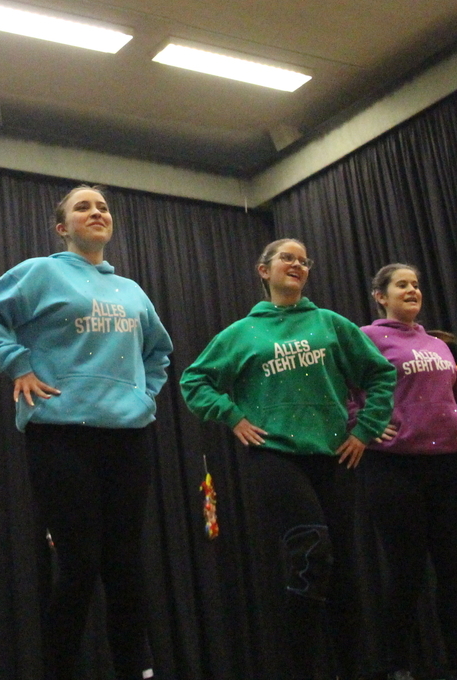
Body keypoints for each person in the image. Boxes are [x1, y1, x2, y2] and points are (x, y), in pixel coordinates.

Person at [0, 185, 172, 680]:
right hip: (61, 435)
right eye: (83, 207)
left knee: (125, 565)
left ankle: (136, 670)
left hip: (128, 437)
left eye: (103, 206)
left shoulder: (132, 291)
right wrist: (17, 363)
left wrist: (143, 395)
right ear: (62, 227)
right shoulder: (41, 273)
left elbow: (159, 352)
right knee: (79, 564)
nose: (97, 212)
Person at [180, 238, 396, 680]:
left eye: (303, 260)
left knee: (344, 567)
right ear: (264, 270)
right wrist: (232, 416)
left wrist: (365, 429)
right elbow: (194, 381)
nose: (297, 264)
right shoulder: (242, 333)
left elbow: (380, 374)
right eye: (287, 258)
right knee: (311, 553)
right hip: (276, 456)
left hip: (334, 455)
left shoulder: (330, 323)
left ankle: (353, 668)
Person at [354, 265, 457, 680]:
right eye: (402, 285)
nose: (412, 289)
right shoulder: (365, 338)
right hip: (394, 468)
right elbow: (346, 393)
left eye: (416, 284)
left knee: (455, 568)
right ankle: (396, 664)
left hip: (447, 466)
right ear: (380, 296)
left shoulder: (438, 344)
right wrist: (363, 422)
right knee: (406, 570)